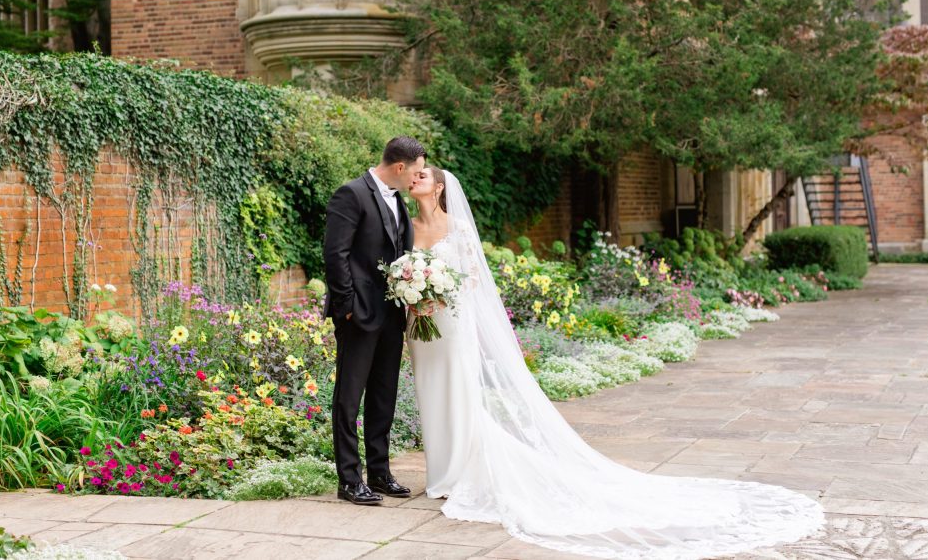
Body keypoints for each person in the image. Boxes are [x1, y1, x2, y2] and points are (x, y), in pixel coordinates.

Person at [404, 166, 825, 560]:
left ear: (439, 187)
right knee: (430, 391)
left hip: (453, 322)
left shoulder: (457, 228)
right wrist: (414, 296)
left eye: (422, 175)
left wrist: (439, 297)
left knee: (459, 393)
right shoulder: (409, 227)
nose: (414, 178)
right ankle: (439, 471)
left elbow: (473, 280)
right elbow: (404, 272)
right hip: (421, 325)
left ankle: (458, 473)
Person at [323, 136, 426, 505]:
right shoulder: (350, 194)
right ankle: (349, 480)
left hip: (392, 314)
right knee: (349, 398)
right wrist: (347, 306)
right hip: (358, 315)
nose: (417, 179)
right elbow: (335, 254)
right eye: (415, 172)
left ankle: (380, 474)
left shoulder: (397, 199)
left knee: (384, 395)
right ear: (400, 167)